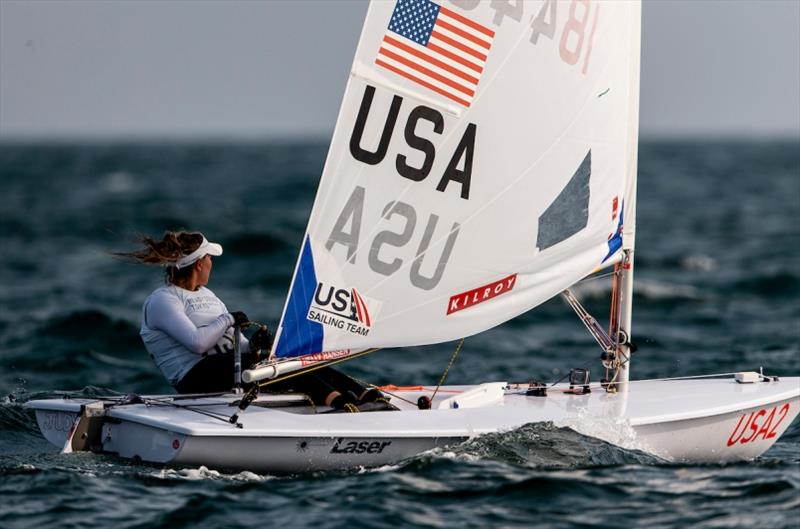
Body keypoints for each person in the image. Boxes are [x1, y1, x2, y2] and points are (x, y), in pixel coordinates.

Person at [117, 230, 393, 411]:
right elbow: (198, 343)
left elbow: (235, 345)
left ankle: (361, 394)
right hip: (195, 377)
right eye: (210, 259)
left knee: (286, 355)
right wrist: (228, 319)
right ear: (200, 264)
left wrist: (255, 346)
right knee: (274, 365)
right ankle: (340, 403)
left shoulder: (207, 294)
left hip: (230, 366)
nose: (212, 264)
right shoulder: (163, 301)